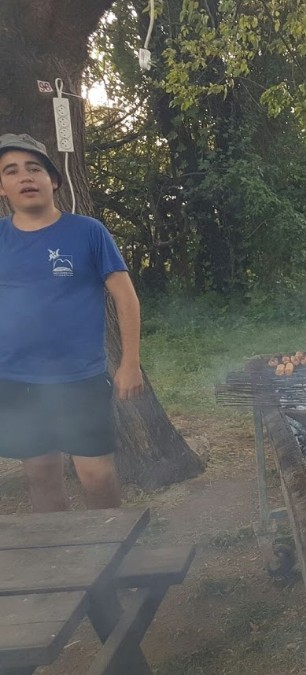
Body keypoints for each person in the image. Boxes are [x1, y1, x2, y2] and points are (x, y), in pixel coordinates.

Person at [0, 133, 144, 512]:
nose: (25, 177)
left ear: (54, 180)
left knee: (97, 475)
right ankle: (61, 561)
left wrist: (130, 364)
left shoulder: (88, 232)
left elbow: (125, 297)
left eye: (35, 169)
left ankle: (113, 555)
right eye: (11, 171)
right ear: (2, 187)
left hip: (79, 377)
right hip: (16, 380)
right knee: (41, 474)